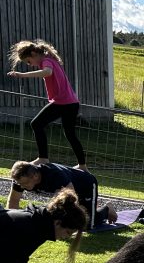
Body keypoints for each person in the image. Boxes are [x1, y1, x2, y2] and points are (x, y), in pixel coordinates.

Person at [1, 186, 88, 263]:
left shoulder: (40, 226)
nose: (67, 237)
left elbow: (18, 260)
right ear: (58, 223)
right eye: (68, 232)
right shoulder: (28, 228)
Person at [7, 40, 87, 170]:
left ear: (33, 53)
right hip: (71, 103)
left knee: (36, 124)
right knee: (70, 134)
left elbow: (47, 72)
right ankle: (82, 166)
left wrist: (22, 75)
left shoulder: (46, 61)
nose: (30, 65)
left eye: (28, 61)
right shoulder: (50, 59)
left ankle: (43, 158)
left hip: (63, 103)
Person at [7, 160, 115, 228]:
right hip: (67, 190)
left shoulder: (55, 175)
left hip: (85, 184)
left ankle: (107, 209)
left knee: (86, 224)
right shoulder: (19, 180)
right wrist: (13, 224)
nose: (21, 186)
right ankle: (93, 207)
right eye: (19, 183)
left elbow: (70, 201)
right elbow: (13, 203)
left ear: (35, 176)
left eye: (24, 183)